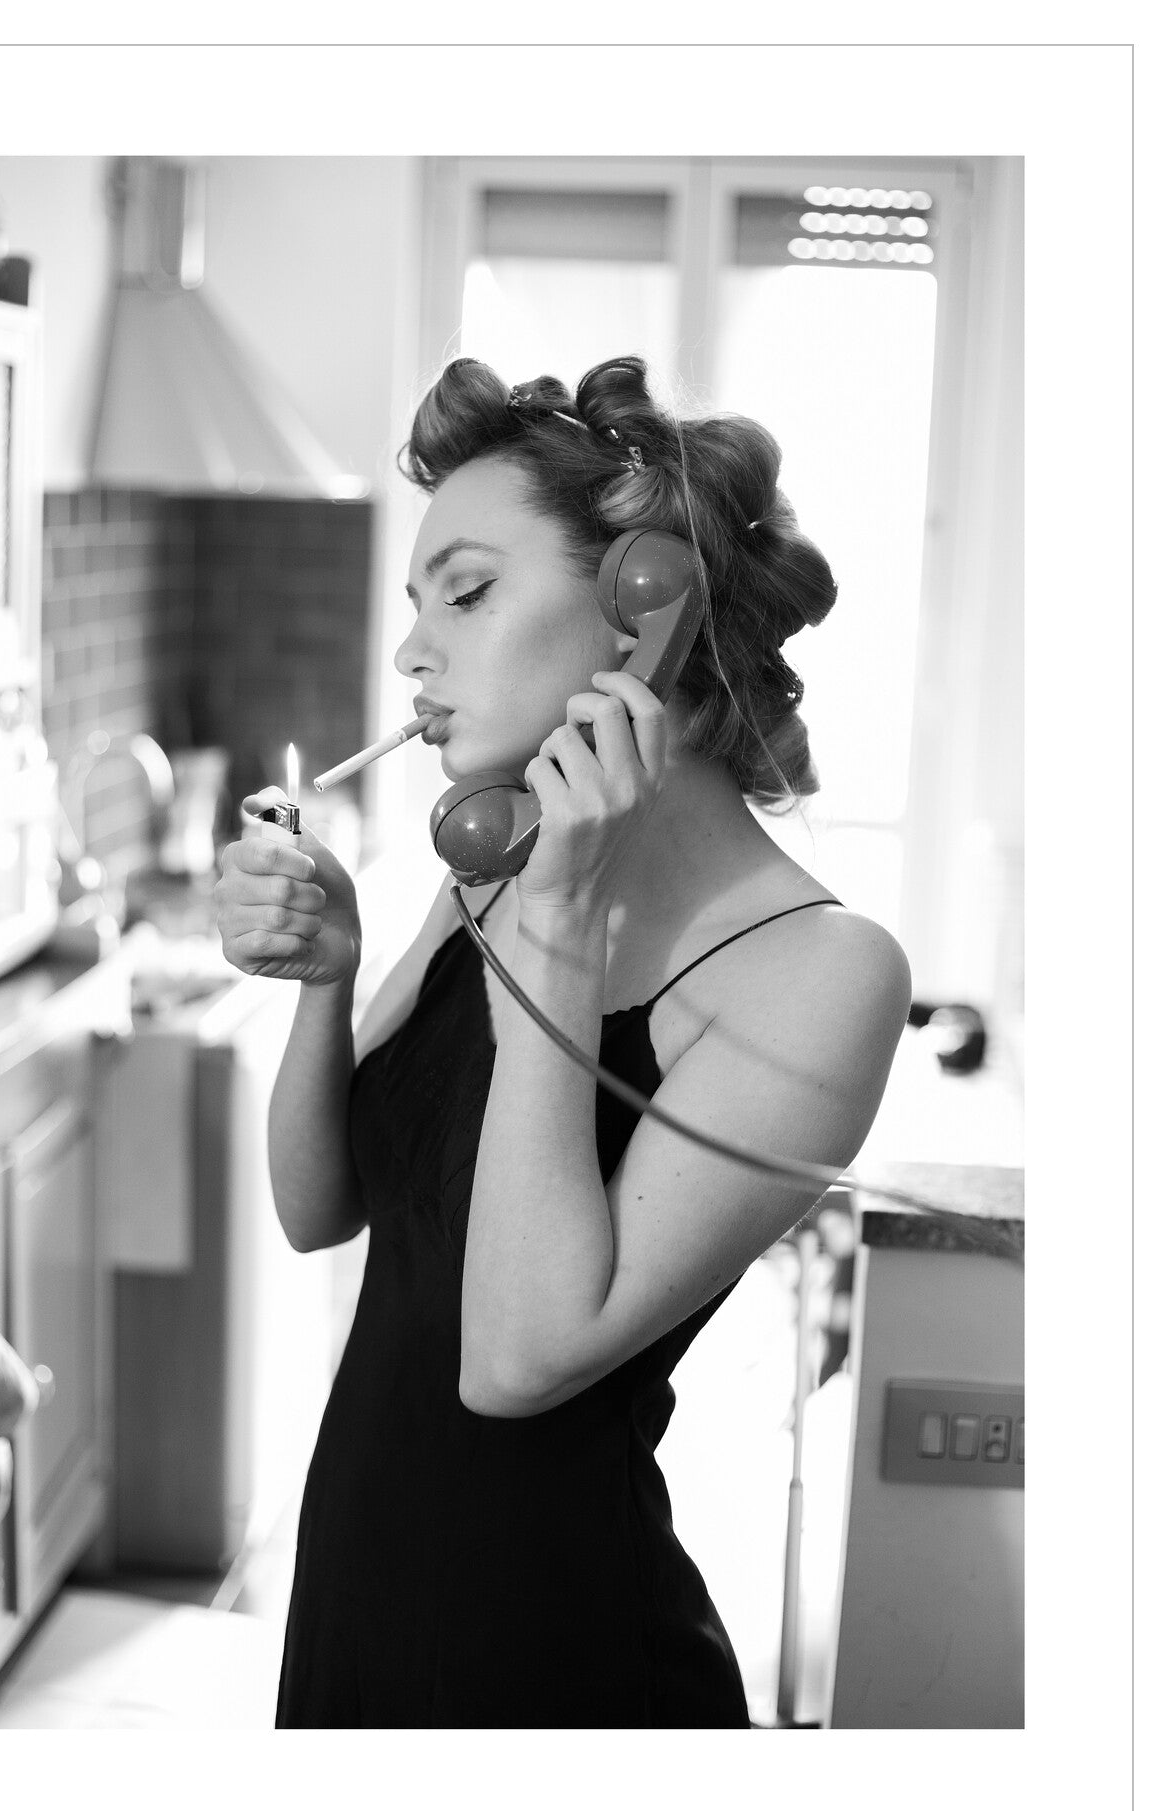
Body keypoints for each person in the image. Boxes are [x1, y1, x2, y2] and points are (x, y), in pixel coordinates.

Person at [213, 354, 912, 1728]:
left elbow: (516, 1360)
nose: (411, 652)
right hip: (353, 1596)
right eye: (416, 607)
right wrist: (326, 978)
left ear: (640, 610)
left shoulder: (825, 976)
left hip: (559, 1662)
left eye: (466, 593)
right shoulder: (492, 868)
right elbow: (321, 1210)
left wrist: (564, 930)